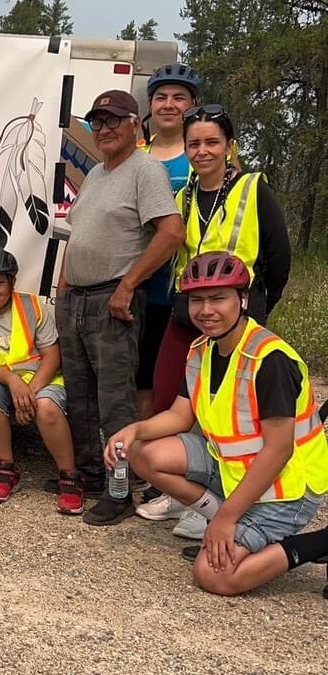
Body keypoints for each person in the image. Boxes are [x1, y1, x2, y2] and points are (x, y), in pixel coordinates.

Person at [108, 253, 327, 596]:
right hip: (233, 469)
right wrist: (134, 429)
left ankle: (319, 542)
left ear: (242, 300)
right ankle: (222, 518)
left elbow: (280, 450)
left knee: (214, 576)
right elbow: (180, 416)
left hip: (286, 488)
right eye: (196, 300)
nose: (206, 310)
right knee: (142, 454)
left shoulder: (269, 360)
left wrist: (227, 520)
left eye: (218, 298)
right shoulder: (201, 350)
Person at [145, 104, 292, 534]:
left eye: (212, 142)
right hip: (188, 310)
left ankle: (219, 504)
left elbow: (279, 257)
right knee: (169, 397)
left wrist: (260, 306)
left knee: (232, 413)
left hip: (238, 315)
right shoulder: (186, 192)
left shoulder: (252, 188)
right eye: (195, 144)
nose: (203, 151)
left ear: (229, 146)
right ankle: (183, 494)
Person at [55, 89, 185, 525]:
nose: (105, 129)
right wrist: (62, 292)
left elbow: (170, 233)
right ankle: (92, 476)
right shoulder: (96, 174)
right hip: (76, 299)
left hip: (113, 300)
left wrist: (128, 285)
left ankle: (120, 490)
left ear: (135, 125)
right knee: (81, 395)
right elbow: (78, 237)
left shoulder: (144, 170)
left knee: (115, 401)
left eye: (114, 120)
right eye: (98, 121)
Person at [0, 247, 83, 514]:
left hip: (43, 377)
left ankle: (70, 477)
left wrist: (29, 392)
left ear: (12, 283)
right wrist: (13, 383)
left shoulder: (33, 306)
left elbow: (52, 355)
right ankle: (6, 469)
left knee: (47, 408)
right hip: (4, 381)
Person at [135, 63, 202, 421]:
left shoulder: (201, 156)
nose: (169, 104)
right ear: (150, 105)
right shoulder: (137, 156)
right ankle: (144, 457)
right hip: (140, 287)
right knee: (142, 377)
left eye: (179, 97)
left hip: (184, 290)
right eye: (161, 97)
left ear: (192, 105)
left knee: (182, 379)